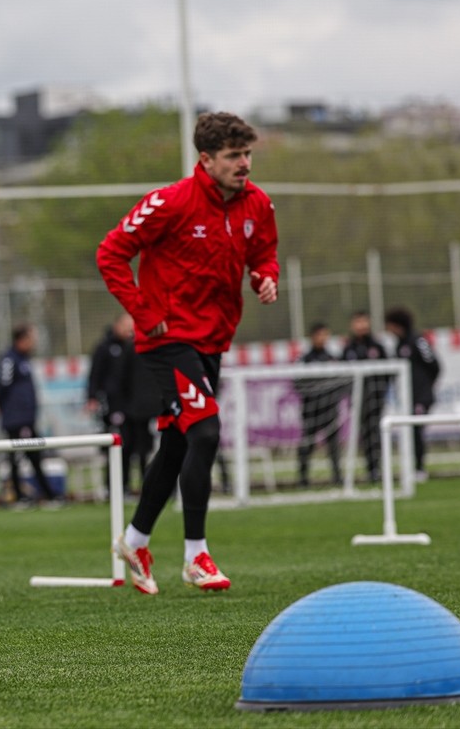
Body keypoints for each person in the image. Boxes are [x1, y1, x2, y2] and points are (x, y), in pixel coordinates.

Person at [97, 112, 279, 594]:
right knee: (207, 430)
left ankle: (134, 539)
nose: (244, 164)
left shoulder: (258, 204)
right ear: (206, 159)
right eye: (233, 156)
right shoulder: (170, 202)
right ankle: (195, 554)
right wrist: (141, 309)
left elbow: (264, 253)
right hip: (166, 339)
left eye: (247, 154)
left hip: (213, 338)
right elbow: (111, 252)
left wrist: (266, 277)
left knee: (178, 443)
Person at [86, 313, 160, 495]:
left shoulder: (136, 348)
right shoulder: (104, 348)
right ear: (117, 325)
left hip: (135, 409)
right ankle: (116, 486)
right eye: (127, 325)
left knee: (141, 447)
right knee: (119, 447)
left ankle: (144, 484)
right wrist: (93, 398)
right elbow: (96, 375)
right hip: (115, 407)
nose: (129, 330)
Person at [0, 324, 61, 508]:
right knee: (17, 458)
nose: (33, 343)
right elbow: (2, 387)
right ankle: (20, 497)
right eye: (31, 339)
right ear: (21, 339)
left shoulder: (23, 359)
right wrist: (10, 412)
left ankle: (47, 495)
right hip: (16, 419)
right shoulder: (9, 359)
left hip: (26, 418)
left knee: (34, 456)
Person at [384, 306, 441, 480]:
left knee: (416, 430)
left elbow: (435, 365)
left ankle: (419, 469)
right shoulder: (399, 344)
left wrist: (425, 388)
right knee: (409, 431)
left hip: (421, 396)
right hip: (406, 397)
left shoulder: (418, 340)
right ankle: (411, 467)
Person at [293, 321, 346, 487]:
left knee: (334, 446)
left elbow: (341, 381)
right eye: (319, 335)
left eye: (325, 335)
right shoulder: (304, 359)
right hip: (311, 409)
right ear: (312, 337)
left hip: (330, 408)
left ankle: (337, 477)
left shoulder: (332, 358)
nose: (322, 338)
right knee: (307, 445)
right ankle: (303, 479)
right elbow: (297, 383)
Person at [341, 310, 390, 483]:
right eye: (358, 322)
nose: (361, 326)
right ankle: (367, 469)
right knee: (363, 434)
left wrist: (381, 390)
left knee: (376, 433)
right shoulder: (348, 349)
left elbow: (390, 371)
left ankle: (377, 469)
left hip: (376, 399)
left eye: (364, 322)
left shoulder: (377, 347)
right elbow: (341, 374)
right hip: (358, 400)